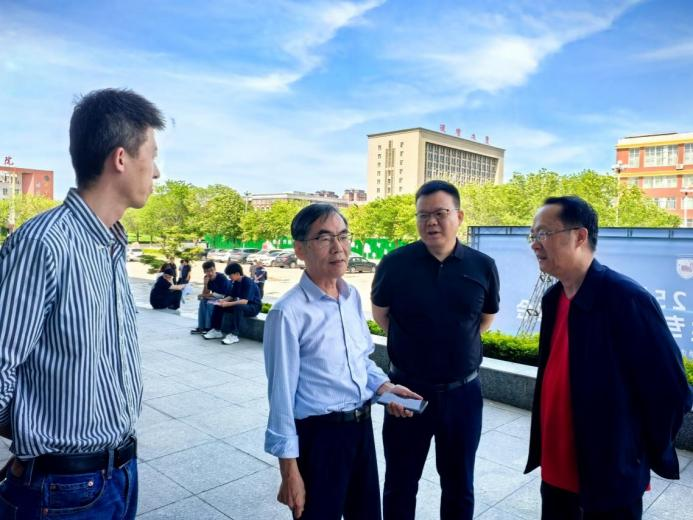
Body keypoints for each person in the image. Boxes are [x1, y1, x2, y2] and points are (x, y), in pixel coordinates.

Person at [0, 88, 164, 518]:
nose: (157, 171)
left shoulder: (110, 245)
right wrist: (34, 437)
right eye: (153, 154)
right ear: (121, 158)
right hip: (62, 489)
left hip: (120, 474)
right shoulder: (43, 244)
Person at [524, 195, 693, 519]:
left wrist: (633, 451)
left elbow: (673, 391)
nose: (535, 244)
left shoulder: (626, 299)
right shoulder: (553, 298)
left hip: (609, 477)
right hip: (555, 471)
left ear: (580, 236)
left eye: (544, 233)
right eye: (532, 235)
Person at [264, 204, 421, 520]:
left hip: (360, 430)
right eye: (324, 238)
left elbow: (360, 361)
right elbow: (280, 398)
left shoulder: (351, 297)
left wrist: (385, 387)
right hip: (319, 439)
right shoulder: (288, 312)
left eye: (343, 236)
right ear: (300, 249)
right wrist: (288, 471)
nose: (338, 247)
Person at [371, 180, 500, 520]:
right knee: (400, 482)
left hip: (463, 394)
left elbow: (485, 319)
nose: (431, 222)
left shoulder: (483, 265)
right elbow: (382, 316)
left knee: (459, 485)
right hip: (405, 390)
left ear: (459, 216)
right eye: (422, 215)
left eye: (440, 213)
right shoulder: (394, 264)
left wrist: (453, 343)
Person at [203, 262, 262, 345]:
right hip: (243, 305)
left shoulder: (247, 282)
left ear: (237, 273)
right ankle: (216, 330)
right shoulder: (236, 282)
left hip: (253, 307)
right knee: (219, 306)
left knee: (238, 307)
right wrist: (222, 301)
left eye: (230, 275)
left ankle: (234, 335)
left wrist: (228, 304)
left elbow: (245, 301)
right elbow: (231, 296)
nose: (229, 278)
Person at [190, 260, 231, 334]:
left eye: (212, 270)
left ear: (215, 269)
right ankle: (201, 327)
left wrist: (204, 295)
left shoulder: (221, 277)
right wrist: (205, 284)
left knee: (210, 303)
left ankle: (208, 327)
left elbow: (221, 294)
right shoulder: (207, 278)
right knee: (203, 301)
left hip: (226, 298)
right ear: (204, 272)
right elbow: (205, 293)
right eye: (207, 271)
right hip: (217, 297)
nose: (210, 273)